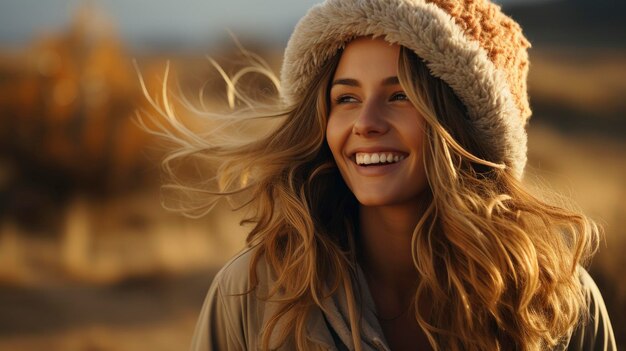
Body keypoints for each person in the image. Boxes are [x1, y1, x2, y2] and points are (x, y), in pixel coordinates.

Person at [146, 0, 617, 350]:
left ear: (465, 124)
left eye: (400, 96)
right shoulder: (255, 294)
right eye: (346, 98)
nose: (365, 123)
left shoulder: (555, 301)